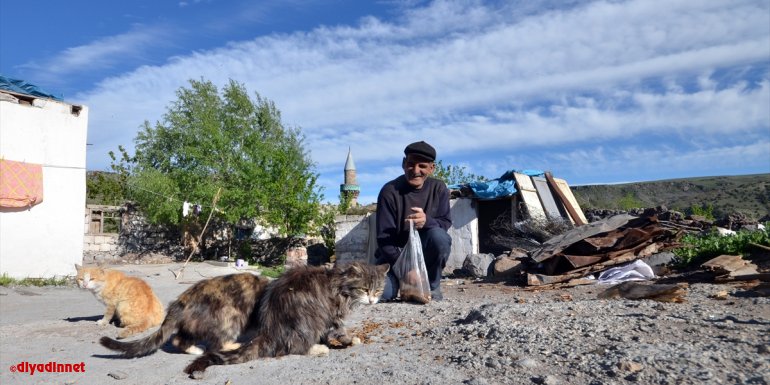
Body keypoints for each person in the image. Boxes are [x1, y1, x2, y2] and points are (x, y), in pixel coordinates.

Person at [375, 141, 452, 301]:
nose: (415, 171)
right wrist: (406, 270)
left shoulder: (439, 189)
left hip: (423, 257)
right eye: (411, 164)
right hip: (394, 257)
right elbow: (384, 239)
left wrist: (427, 221)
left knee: (439, 237)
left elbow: (445, 222)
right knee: (383, 294)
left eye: (422, 166)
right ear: (404, 164)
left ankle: (431, 285)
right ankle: (402, 282)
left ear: (431, 168)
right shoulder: (389, 191)